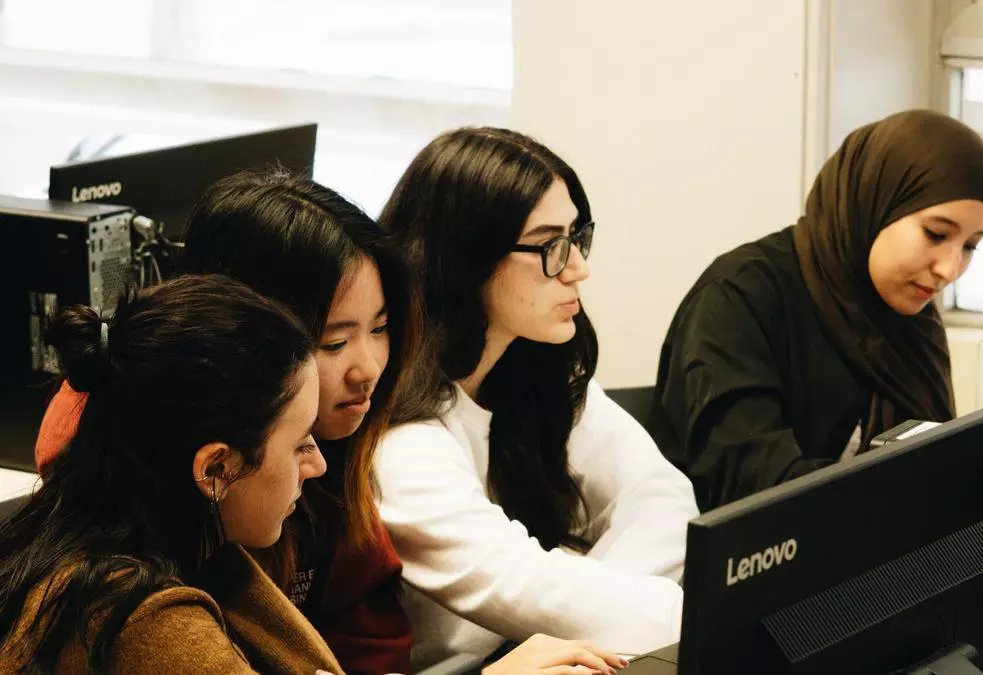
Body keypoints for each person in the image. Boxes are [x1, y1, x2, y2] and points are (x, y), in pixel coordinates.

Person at [0, 276, 631, 675]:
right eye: (300, 442)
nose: (319, 463)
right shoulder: (146, 627)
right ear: (216, 468)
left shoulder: (165, 545)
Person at [31, 170, 434, 673]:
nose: (368, 368)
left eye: (380, 328)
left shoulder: (323, 451)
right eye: (333, 342)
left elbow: (369, 630)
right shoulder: (145, 607)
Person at [375, 126, 699, 668]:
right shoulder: (402, 439)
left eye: (576, 237)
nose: (578, 268)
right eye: (549, 246)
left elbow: (659, 496)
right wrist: (679, 615)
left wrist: (587, 614)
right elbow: (519, 580)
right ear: (466, 258)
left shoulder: (530, 368)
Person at [647, 109, 983, 512]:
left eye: (970, 246)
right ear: (874, 202)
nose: (949, 269)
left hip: (861, 541)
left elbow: (935, 465)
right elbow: (756, 491)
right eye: (936, 234)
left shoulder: (910, 319)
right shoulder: (737, 298)